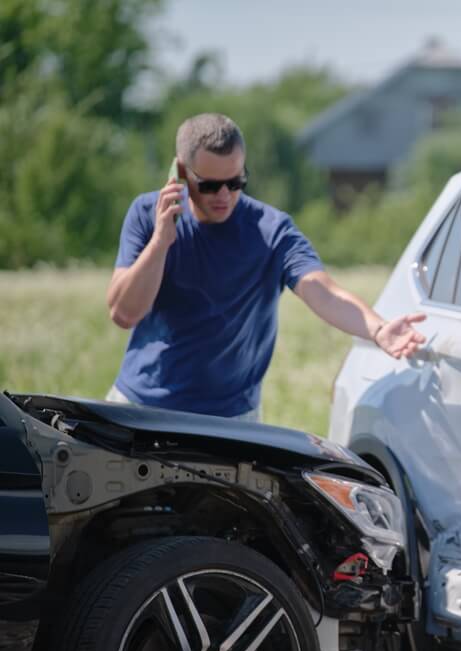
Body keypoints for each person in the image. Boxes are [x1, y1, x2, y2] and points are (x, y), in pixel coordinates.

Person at [105, 113, 425, 421]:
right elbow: (124, 313)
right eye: (210, 185)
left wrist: (378, 329)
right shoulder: (147, 214)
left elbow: (323, 292)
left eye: (236, 181)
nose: (225, 195)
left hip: (231, 420)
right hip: (141, 407)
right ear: (181, 173)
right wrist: (161, 241)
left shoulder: (271, 230)